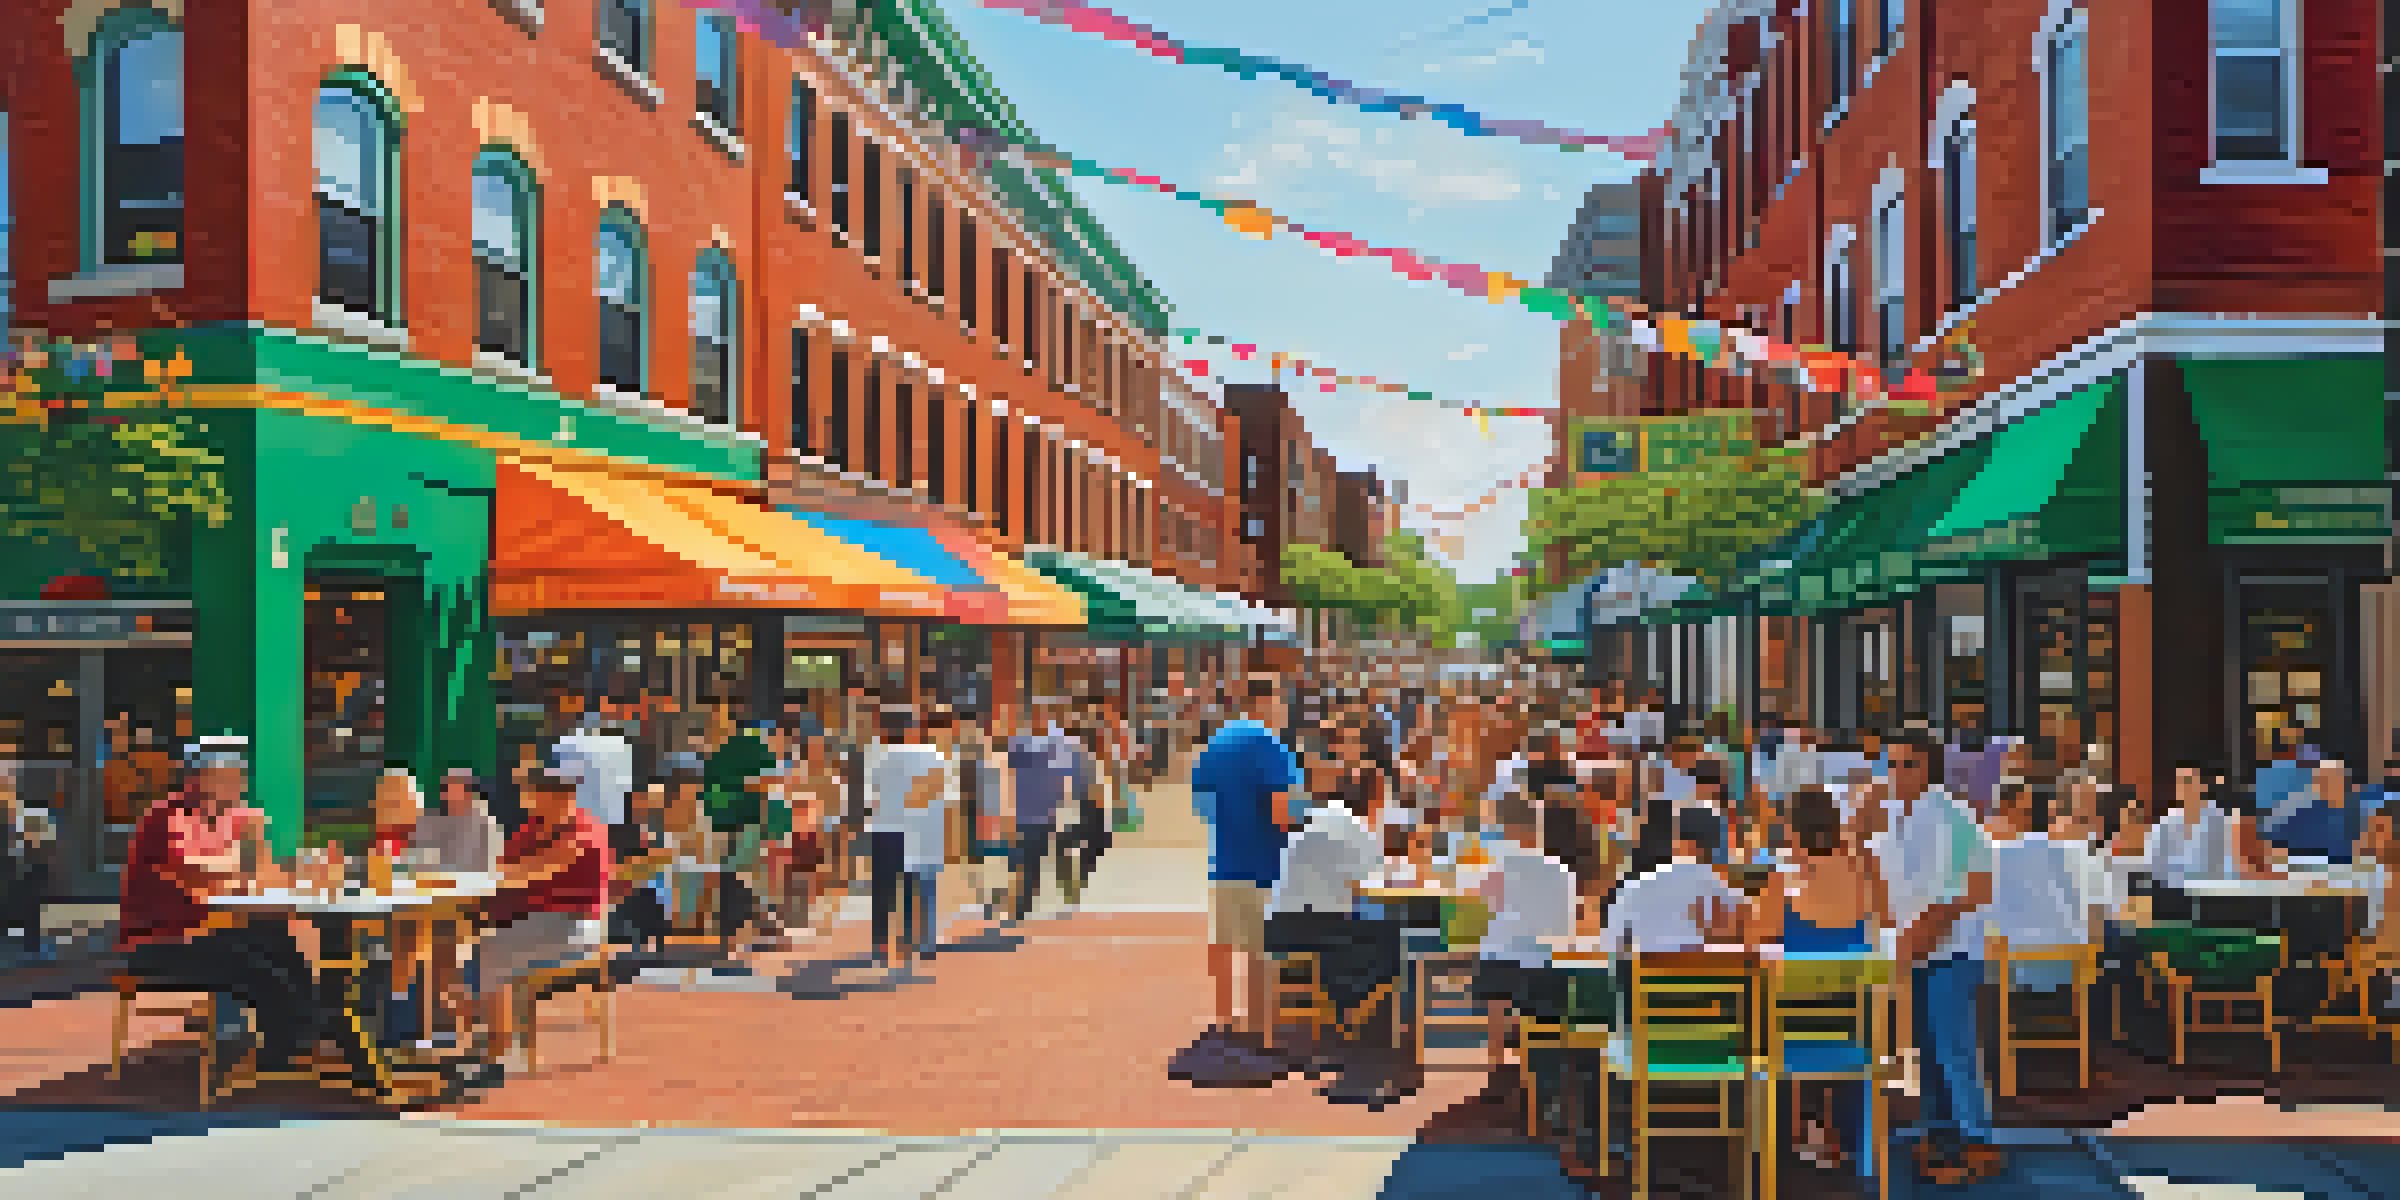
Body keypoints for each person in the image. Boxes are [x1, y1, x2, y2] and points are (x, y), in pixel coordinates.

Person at [118, 737, 326, 1079]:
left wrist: (257, 851)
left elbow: (265, 876)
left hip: (209, 932)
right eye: (229, 777)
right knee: (261, 970)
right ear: (200, 780)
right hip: (160, 942)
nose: (239, 784)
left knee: (282, 943)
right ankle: (278, 1054)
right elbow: (192, 872)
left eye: (239, 776)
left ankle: (306, 1037)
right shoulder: (167, 816)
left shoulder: (237, 817)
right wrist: (244, 866)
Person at [1878, 733, 2001, 1185]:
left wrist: (1910, 947)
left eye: (1906, 764)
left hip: (1950, 950)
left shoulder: (1949, 817)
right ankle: (1941, 1137)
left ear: (1928, 769)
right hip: (1918, 950)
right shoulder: (1896, 816)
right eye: (1892, 763)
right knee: (1927, 1053)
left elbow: (1954, 899)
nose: (1896, 773)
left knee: (1954, 1050)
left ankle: (1978, 1144)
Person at [1741, 786, 1885, 1171]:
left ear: (1792, 829)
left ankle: (1778, 1148)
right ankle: (1841, 1141)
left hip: (1793, 1030)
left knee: (1760, 1018)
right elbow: (1884, 922)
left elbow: (1753, 947)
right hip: (1852, 1029)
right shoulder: (1865, 875)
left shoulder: (1782, 882)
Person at [1263, 750, 1411, 1103]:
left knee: (1380, 940)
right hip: (1308, 926)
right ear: (1375, 799)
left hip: (1286, 923)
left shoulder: (1326, 817)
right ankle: (1370, 1052)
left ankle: (1359, 1043)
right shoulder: (1354, 830)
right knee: (1394, 945)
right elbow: (1379, 885)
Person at [1177, 676, 1302, 1080]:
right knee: (1262, 951)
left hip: (1225, 860)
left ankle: (1225, 1020)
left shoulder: (1214, 745)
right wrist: (1307, 820)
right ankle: (1262, 1032)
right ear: (1271, 701)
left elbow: (1201, 806)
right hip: (1265, 862)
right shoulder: (1271, 747)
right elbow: (1283, 813)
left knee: (1225, 942)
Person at [475, 765, 611, 1074]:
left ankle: (497, 1046)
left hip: (575, 925)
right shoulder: (536, 826)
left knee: (490, 948)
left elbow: (539, 869)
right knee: (460, 939)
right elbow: (503, 863)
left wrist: (486, 876)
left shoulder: (582, 830)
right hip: (539, 920)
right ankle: (474, 1027)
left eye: (533, 793)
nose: (528, 799)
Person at [1473, 784, 1578, 1084]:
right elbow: (1564, 928)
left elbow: (1485, 908)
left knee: (1492, 960)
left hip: (1498, 963)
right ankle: (1538, 1072)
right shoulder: (1561, 871)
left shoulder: (1499, 866)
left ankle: (1496, 1067)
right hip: (1541, 965)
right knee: (1552, 980)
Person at [1005, 711, 1078, 922]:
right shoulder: (1019, 742)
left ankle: (1062, 895)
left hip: (1046, 812)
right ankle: (1023, 903)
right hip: (1026, 813)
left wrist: (1063, 806)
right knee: (1028, 860)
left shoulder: (1054, 742)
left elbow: (1063, 776)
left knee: (1045, 857)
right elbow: (1010, 776)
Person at [415, 767, 501, 874]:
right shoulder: (434, 821)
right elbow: (423, 856)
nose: (446, 795)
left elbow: (489, 862)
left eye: (454, 789)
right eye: (446, 789)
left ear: (469, 793)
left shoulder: (484, 822)